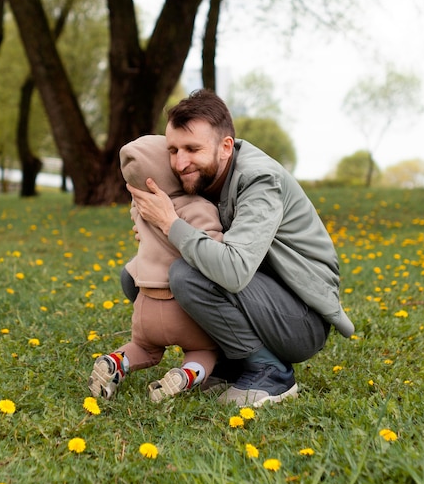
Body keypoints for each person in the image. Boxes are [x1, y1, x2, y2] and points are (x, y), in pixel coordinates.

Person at [126, 89, 354, 407]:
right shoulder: (204, 178)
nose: (179, 163)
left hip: (301, 320)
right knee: (136, 275)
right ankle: (231, 363)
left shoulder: (260, 180)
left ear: (226, 147)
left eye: (192, 149)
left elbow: (233, 272)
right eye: (173, 149)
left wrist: (170, 224)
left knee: (187, 276)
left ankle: (271, 372)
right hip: (260, 299)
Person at [88, 134, 223, 402]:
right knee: (204, 352)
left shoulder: (140, 208)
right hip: (181, 308)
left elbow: (134, 209)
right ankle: (186, 375)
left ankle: (116, 361)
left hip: (145, 305)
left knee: (144, 348)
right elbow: (214, 249)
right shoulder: (196, 207)